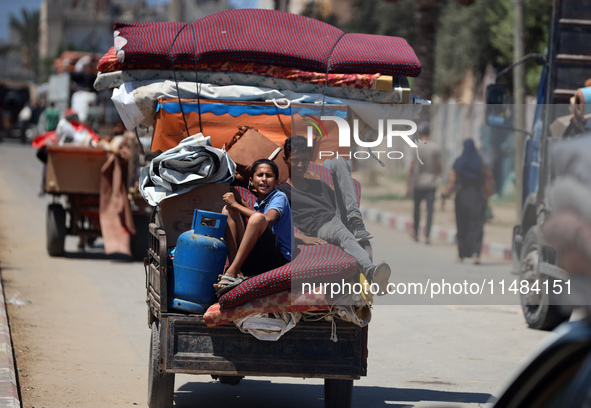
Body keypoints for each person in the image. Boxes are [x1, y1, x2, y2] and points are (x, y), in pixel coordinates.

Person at [279, 135, 391, 294]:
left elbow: (338, 199)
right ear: (286, 159)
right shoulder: (282, 192)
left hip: (337, 216)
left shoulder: (317, 183)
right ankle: (372, 272)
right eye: (295, 160)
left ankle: (356, 221)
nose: (300, 165)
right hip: (322, 226)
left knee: (338, 161)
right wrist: (303, 238)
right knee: (341, 232)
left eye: (304, 160)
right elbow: (275, 225)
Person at [213, 159, 293, 296]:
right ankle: (236, 272)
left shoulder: (280, 197)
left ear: (277, 182)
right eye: (260, 175)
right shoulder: (259, 203)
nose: (264, 179)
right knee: (228, 211)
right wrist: (237, 204)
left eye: (268, 176)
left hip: (277, 260)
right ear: (251, 180)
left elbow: (267, 219)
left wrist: (236, 204)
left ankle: (231, 271)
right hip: (259, 256)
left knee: (257, 218)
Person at [441, 138, 489, 264]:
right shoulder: (481, 162)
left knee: (462, 226)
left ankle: (461, 255)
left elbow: (452, 181)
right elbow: (488, 181)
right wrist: (487, 196)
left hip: (462, 197)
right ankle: (476, 254)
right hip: (477, 198)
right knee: (477, 227)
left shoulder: (459, 162)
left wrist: (445, 194)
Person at [405, 121, 441, 244]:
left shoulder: (416, 147)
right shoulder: (435, 147)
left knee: (417, 209)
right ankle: (427, 236)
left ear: (420, 132)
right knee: (430, 211)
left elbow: (411, 167)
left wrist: (407, 185)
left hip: (418, 183)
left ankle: (415, 233)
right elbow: (438, 167)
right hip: (431, 183)